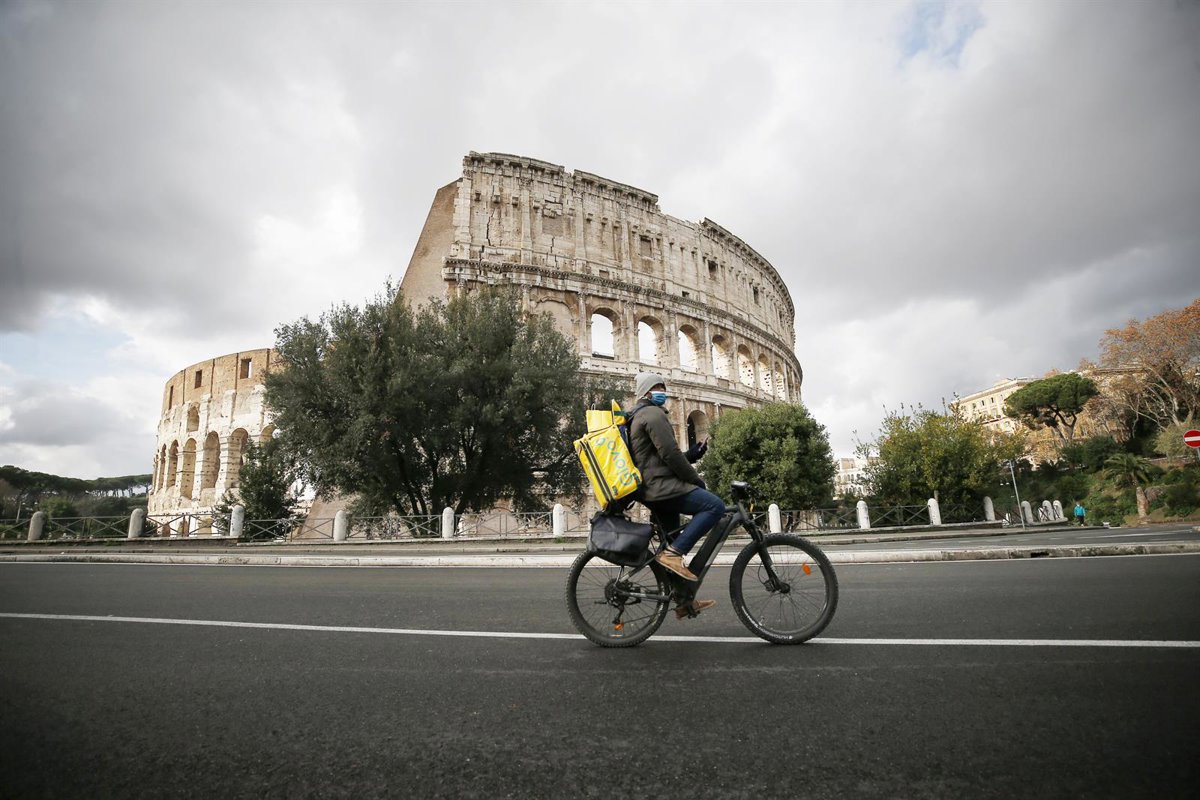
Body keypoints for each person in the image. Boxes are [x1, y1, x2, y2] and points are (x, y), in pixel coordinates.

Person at [628, 372, 726, 619]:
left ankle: (683, 601)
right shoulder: (653, 414)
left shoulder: (642, 414)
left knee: (669, 539)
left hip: (653, 486)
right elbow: (669, 454)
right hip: (660, 487)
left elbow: (657, 456)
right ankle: (674, 554)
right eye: (658, 387)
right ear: (647, 391)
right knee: (714, 506)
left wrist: (691, 455)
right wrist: (695, 480)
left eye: (663, 387)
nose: (663, 391)